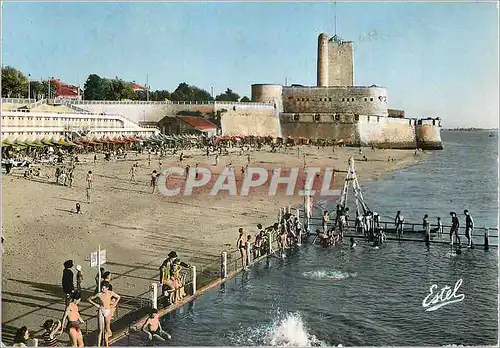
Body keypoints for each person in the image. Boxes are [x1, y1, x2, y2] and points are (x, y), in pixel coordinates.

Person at [88, 282, 120, 347]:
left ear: (107, 288)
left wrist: (115, 303)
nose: (102, 289)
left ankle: (106, 344)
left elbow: (119, 297)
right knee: (100, 330)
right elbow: (89, 299)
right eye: (102, 288)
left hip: (107, 311)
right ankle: (98, 345)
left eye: (103, 288)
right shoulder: (99, 294)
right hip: (101, 310)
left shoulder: (111, 293)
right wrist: (96, 305)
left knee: (107, 329)